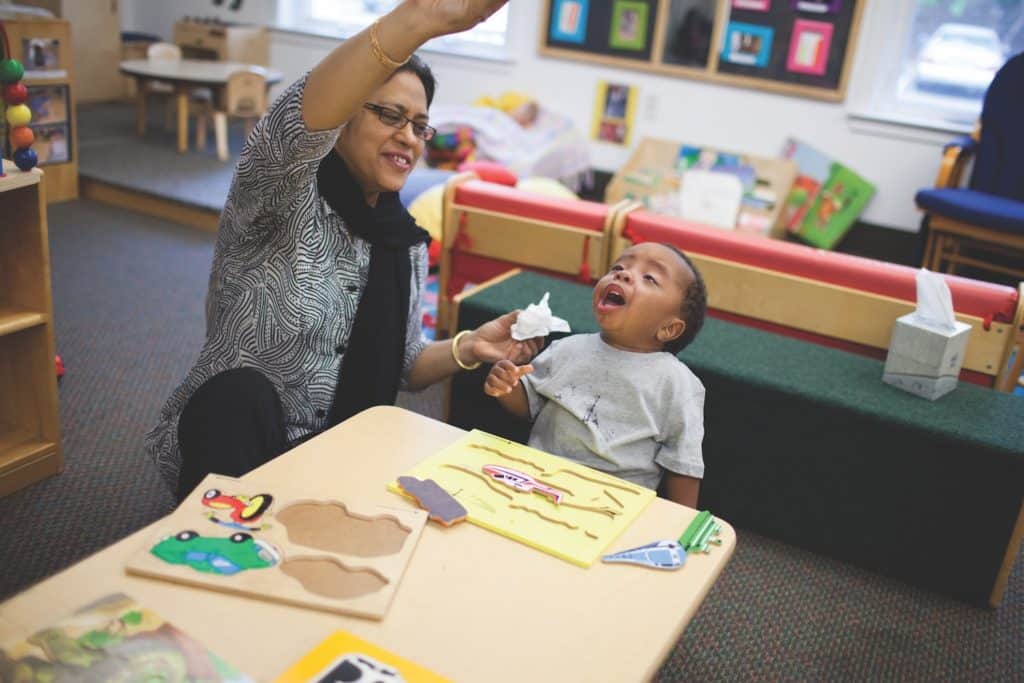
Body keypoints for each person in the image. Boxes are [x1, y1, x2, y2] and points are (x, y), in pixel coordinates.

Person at [147, 0, 531, 501]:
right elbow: (295, 122)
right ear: (343, 120)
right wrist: (418, 19)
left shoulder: (404, 241)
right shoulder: (279, 192)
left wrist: (468, 346)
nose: (408, 137)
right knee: (239, 396)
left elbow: (404, 363)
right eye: (390, 115)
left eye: (419, 125)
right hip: (241, 449)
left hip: (336, 462)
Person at [483, 242, 708, 508]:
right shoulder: (567, 348)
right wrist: (507, 387)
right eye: (618, 267)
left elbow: (683, 464)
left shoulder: (677, 383)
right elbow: (529, 406)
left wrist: (683, 524)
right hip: (535, 483)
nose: (623, 274)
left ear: (669, 328)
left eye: (650, 278)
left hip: (612, 505)